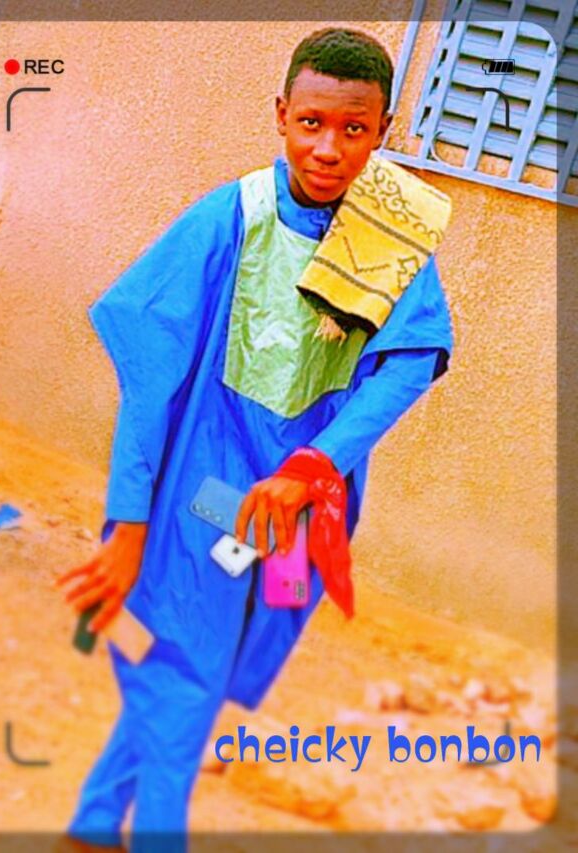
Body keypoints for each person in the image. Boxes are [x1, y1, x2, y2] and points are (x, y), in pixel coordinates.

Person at [55, 27, 453, 853]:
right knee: (187, 669)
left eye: (354, 129)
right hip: (205, 494)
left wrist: (313, 464)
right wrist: (128, 522)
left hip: (299, 514)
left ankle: (93, 823)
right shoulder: (232, 217)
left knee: (203, 664)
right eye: (311, 123)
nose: (329, 148)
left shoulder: (391, 236)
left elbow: (410, 362)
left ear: (383, 130)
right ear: (280, 115)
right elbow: (150, 375)